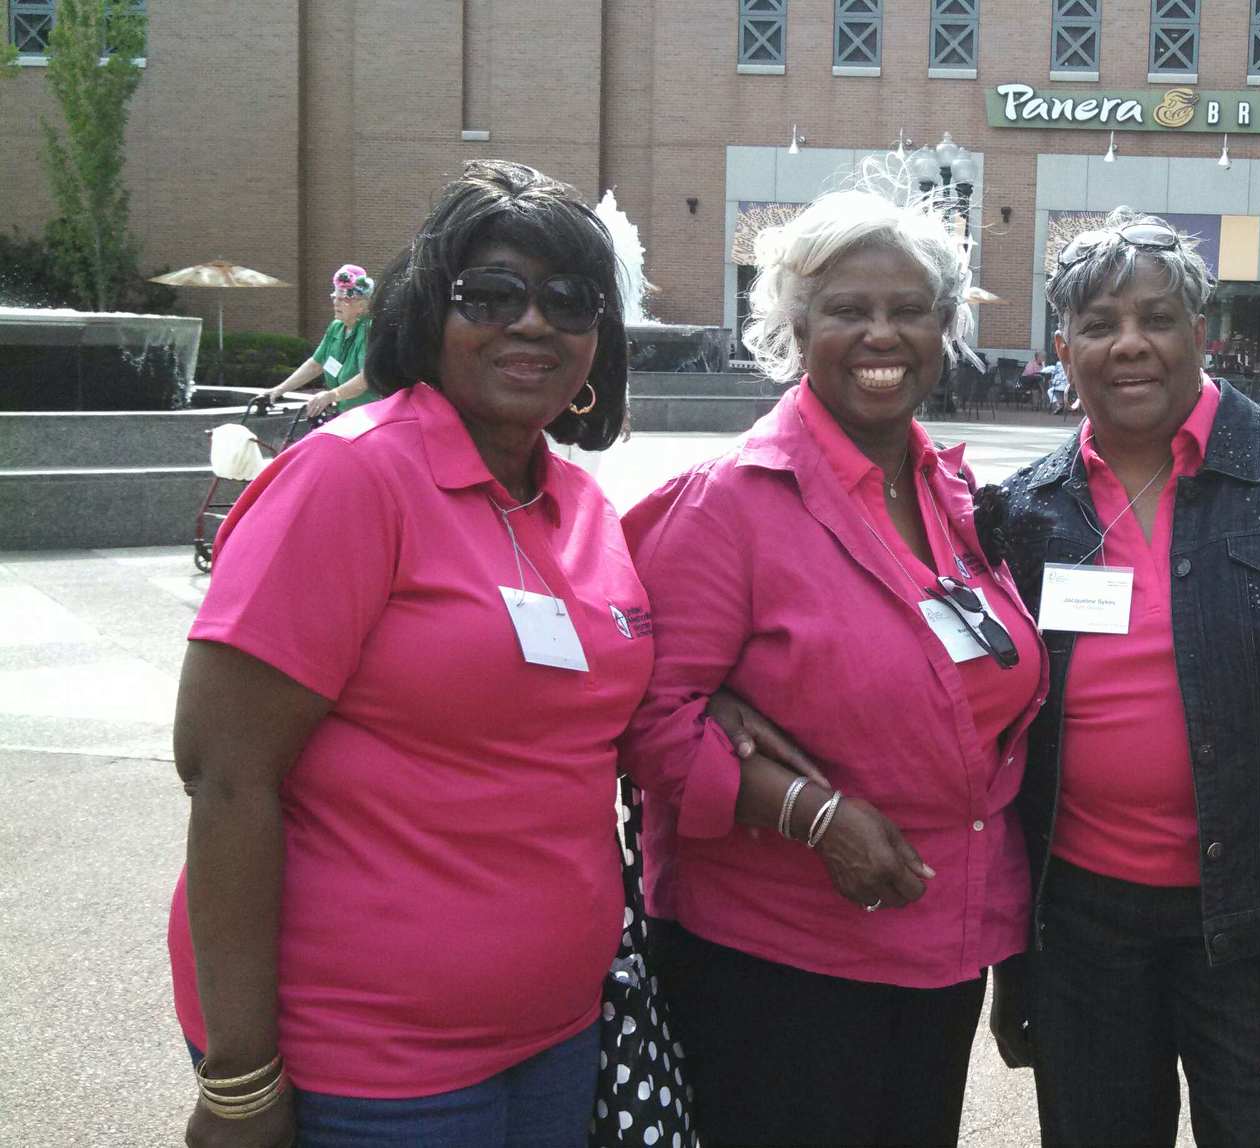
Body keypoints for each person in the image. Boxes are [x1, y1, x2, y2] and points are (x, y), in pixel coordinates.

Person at [171, 160, 650, 1146]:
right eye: (493, 294)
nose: (534, 323)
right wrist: (241, 1074)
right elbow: (225, 776)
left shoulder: (584, 508)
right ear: (430, 309)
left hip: (556, 1034)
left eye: (570, 300)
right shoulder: (351, 478)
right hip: (370, 1058)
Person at [618, 177, 1049, 1148]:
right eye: (848, 310)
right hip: (777, 959)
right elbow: (647, 717)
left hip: (942, 948)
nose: (881, 334)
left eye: (909, 311)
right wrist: (811, 813)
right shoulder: (730, 501)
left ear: (946, 328)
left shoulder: (950, 493)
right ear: (796, 326)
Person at [986, 210, 1260, 1146]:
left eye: (1157, 318)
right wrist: (1016, 960)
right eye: (1100, 324)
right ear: (1064, 348)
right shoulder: (1025, 511)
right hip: (1084, 932)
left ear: (1203, 334)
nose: (1129, 344)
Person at [259, 264, 379, 418]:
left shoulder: (368, 330)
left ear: (362, 305)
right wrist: (279, 389)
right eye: (335, 297)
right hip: (344, 415)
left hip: (369, 417)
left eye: (344, 299)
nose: (336, 302)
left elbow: (366, 378)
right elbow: (316, 364)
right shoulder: (336, 327)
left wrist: (331, 395)